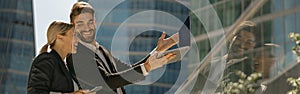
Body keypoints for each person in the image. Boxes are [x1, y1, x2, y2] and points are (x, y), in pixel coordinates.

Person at [67, 1, 179, 94]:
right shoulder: (76, 55)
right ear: (73, 27)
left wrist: (159, 50)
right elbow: (106, 82)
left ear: (95, 22)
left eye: (90, 22)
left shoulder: (102, 50)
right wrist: (147, 67)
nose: (87, 28)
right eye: (80, 24)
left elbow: (127, 71)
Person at [191, 21, 257, 93]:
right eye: (239, 38)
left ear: (254, 46)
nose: (242, 45)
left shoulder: (249, 71)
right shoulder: (208, 64)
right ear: (231, 37)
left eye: (248, 42)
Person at [27, 21, 88, 93]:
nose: (77, 40)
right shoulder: (46, 60)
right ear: (59, 37)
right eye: (74, 35)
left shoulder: (68, 67)